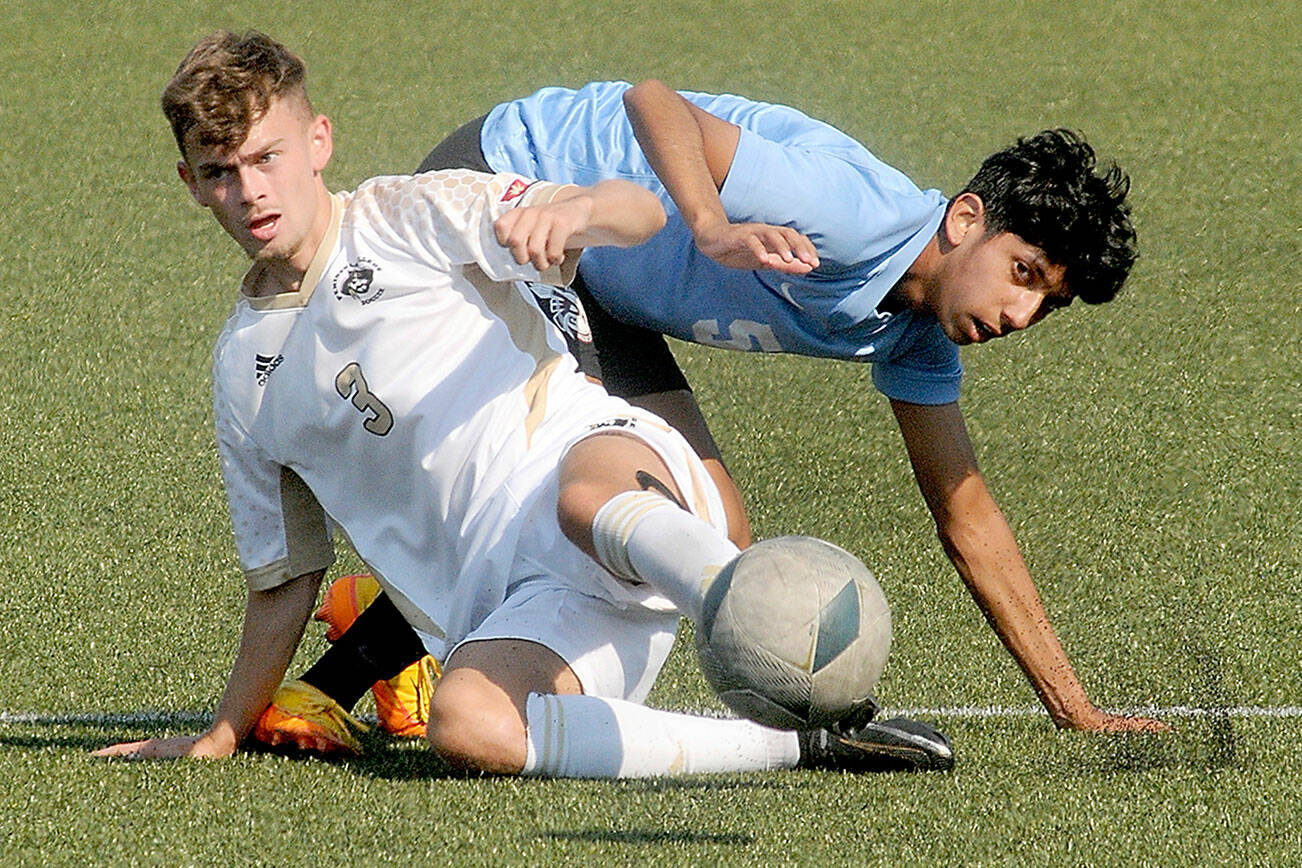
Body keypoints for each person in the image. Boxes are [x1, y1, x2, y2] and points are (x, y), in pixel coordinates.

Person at [94, 31, 954, 776]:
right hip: (532, 611)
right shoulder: (242, 370)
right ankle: (803, 746)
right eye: (221, 171)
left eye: (267, 156)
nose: (251, 191)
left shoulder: (406, 214)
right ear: (192, 182)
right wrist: (221, 732)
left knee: (581, 496)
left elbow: (636, 212)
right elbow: (284, 579)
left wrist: (580, 207)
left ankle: (761, 611)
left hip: (601, 463)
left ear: (318, 141)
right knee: (467, 729)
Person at [256, 77, 1168, 750]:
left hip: (602, 288)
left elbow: (966, 514)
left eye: (1047, 304)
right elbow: (656, 102)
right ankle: (334, 684)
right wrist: (708, 223)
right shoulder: (852, 217)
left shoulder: (919, 336)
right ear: (967, 219)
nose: (1020, 316)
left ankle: (380, 626)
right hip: (516, 195)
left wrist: (1075, 706)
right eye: (1024, 275)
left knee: (710, 523)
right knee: (560, 488)